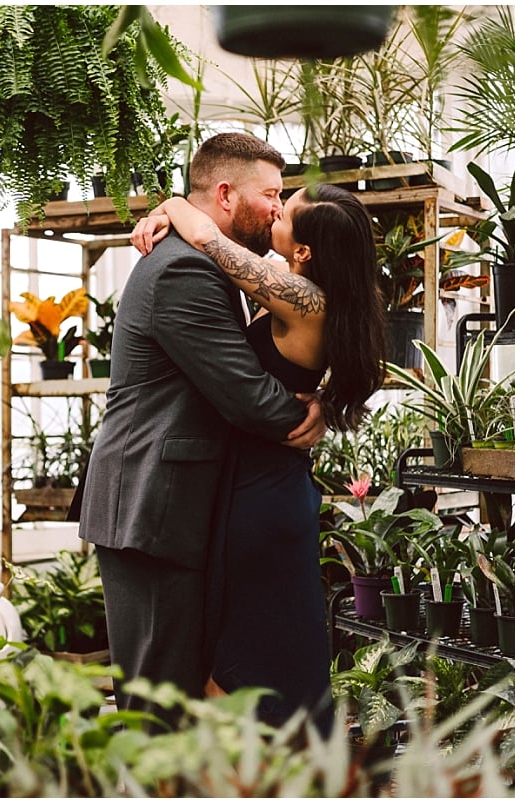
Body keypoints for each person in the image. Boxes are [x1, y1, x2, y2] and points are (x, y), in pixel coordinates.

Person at [76, 133, 328, 730]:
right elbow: (243, 394)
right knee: (156, 698)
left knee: (181, 692)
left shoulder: (209, 258)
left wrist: (175, 208)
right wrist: (303, 416)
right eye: (269, 194)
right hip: (152, 505)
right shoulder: (183, 271)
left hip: (177, 504)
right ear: (223, 194)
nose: (276, 206)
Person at [130, 183, 387, 733]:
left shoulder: (302, 298)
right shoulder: (321, 298)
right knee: (257, 664)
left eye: (285, 212)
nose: (275, 210)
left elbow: (203, 233)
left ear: (305, 252)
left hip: (261, 505)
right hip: (265, 492)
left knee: (239, 681)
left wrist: (171, 205)